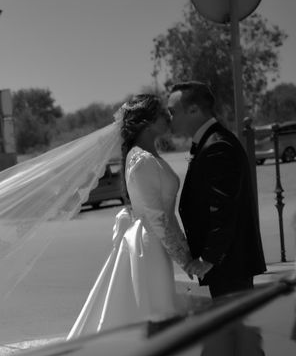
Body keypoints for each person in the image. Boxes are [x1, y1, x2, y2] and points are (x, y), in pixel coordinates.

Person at [67, 94, 208, 339]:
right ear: (147, 122)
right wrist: (185, 258)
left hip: (154, 242)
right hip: (148, 245)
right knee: (153, 310)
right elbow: (157, 217)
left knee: (158, 309)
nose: (168, 118)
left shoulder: (146, 155)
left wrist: (185, 252)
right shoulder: (141, 160)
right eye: (162, 115)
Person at [167, 81, 266, 298]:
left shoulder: (217, 145)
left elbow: (223, 209)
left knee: (237, 329)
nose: (170, 119)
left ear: (193, 110)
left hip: (230, 266)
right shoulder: (209, 141)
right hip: (226, 266)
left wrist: (208, 259)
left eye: (173, 112)